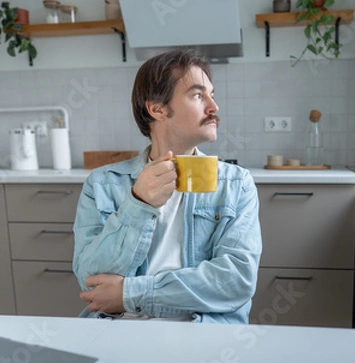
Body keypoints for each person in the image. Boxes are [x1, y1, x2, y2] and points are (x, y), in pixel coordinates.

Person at [72, 49, 262, 324]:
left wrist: (131, 294)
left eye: (212, 94)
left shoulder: (236, 184)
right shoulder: (102, 184)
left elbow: (236, 281)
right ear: (157, 109)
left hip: (201, 332)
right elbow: (91, 281)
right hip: (119, 330)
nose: (214, 107)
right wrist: (138, 204)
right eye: (198, 95)